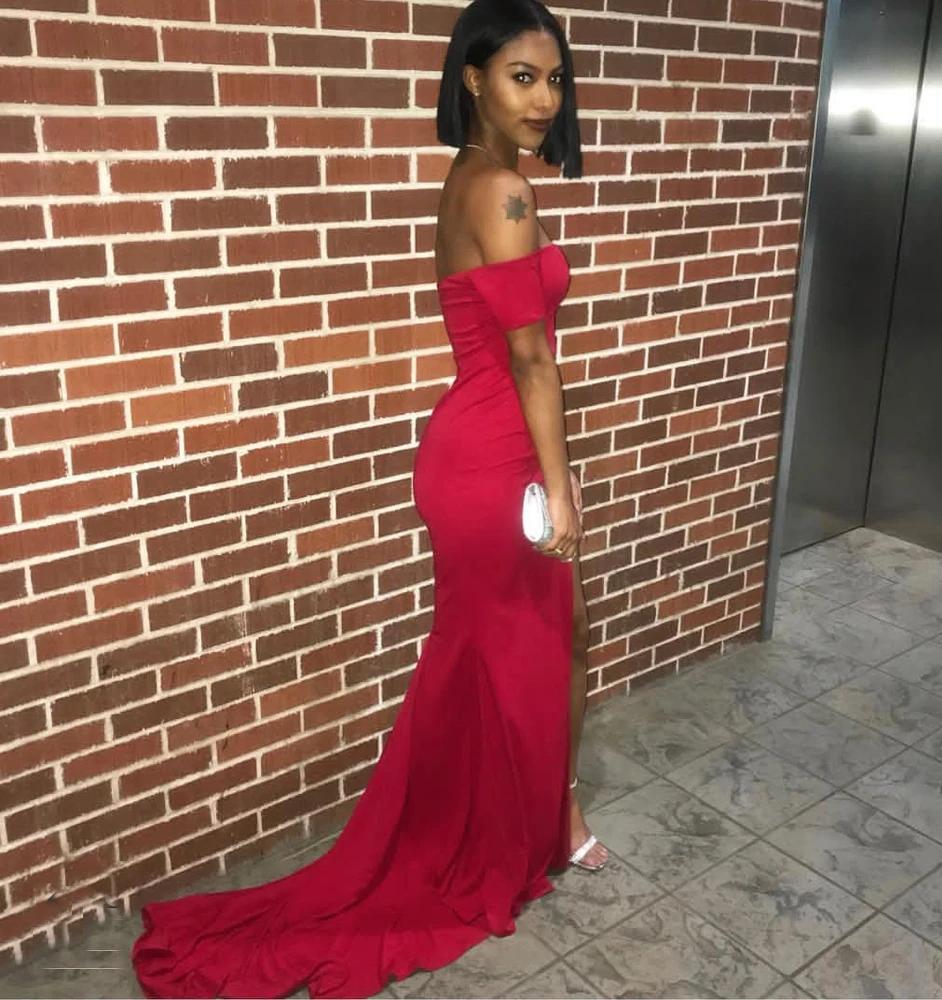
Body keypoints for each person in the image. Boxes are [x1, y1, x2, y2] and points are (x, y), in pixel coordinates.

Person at [131, 1, 605, 996]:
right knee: (513, 652)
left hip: (484, 450)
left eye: (555, 79)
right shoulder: (503, 193)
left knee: (533, 643)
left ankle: (545, 820)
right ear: (472, 77)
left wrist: (551, 470)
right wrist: (558, 487)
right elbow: (530, 358)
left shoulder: (469, 177)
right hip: (496, 461)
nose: (544, 99)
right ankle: (500, 842)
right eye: (522, 76)